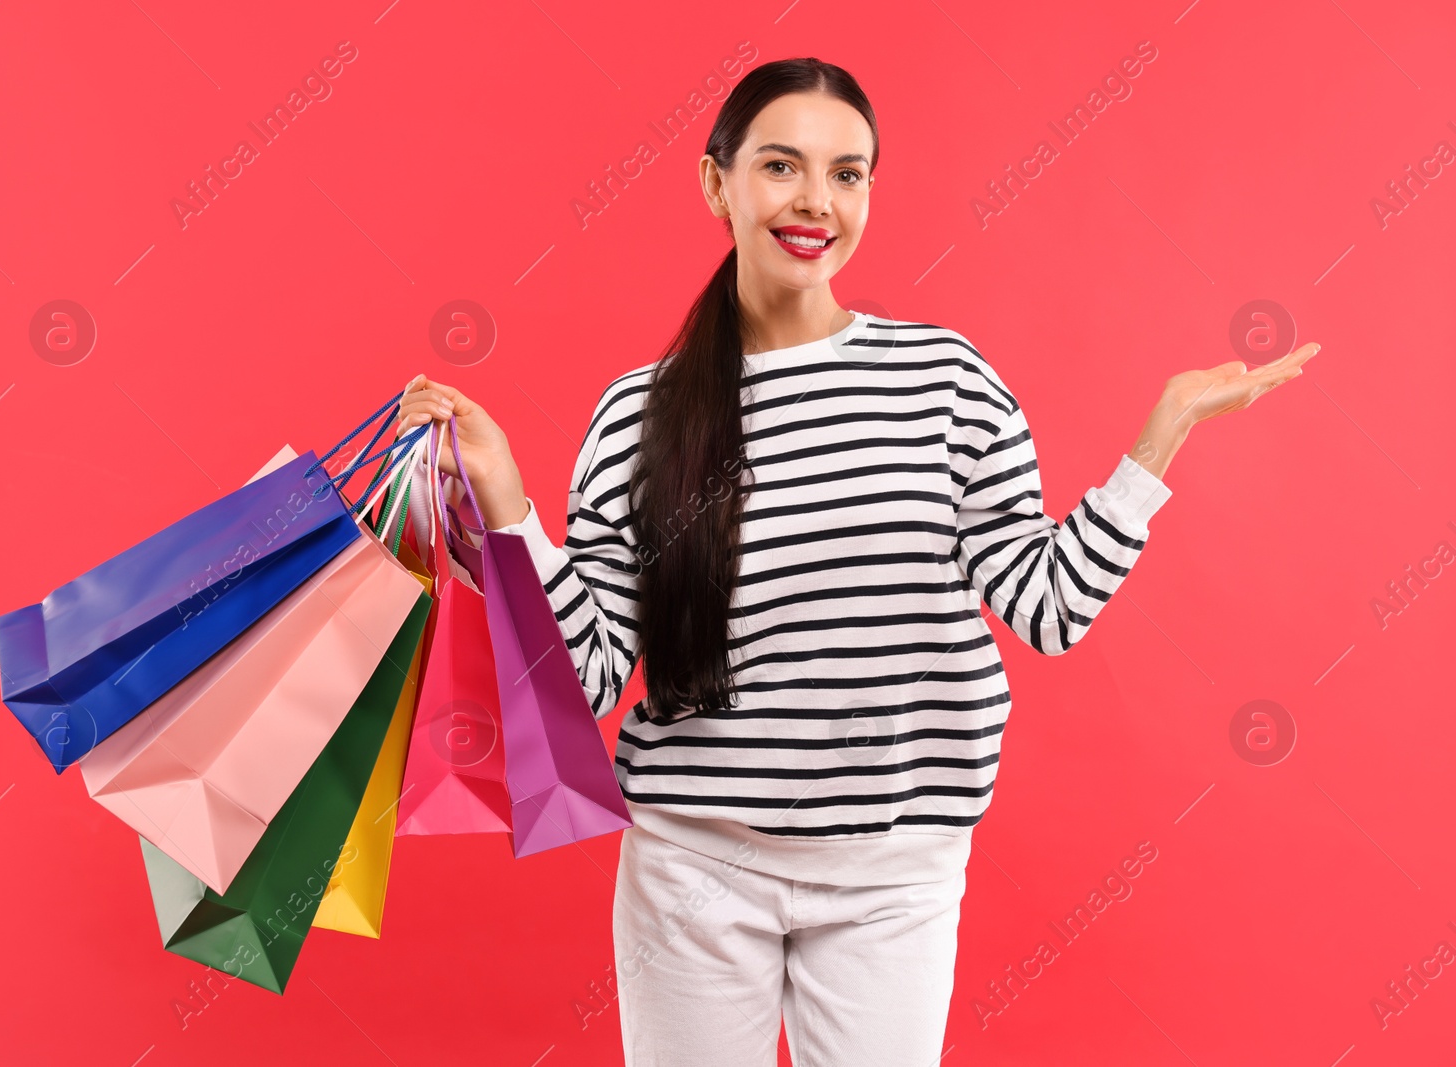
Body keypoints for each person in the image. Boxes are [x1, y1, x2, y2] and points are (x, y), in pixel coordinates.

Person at [394, 56, 1317, 1067]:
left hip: (894, 873)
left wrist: (1161, 437)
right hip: (692, 865)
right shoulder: (640, 411)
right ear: (717, 183)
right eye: (781, 166)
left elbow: (1050, 607)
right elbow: (593, 670)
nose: (814, 201)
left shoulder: (945, 385)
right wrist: (509, 503)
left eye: (848, 173)